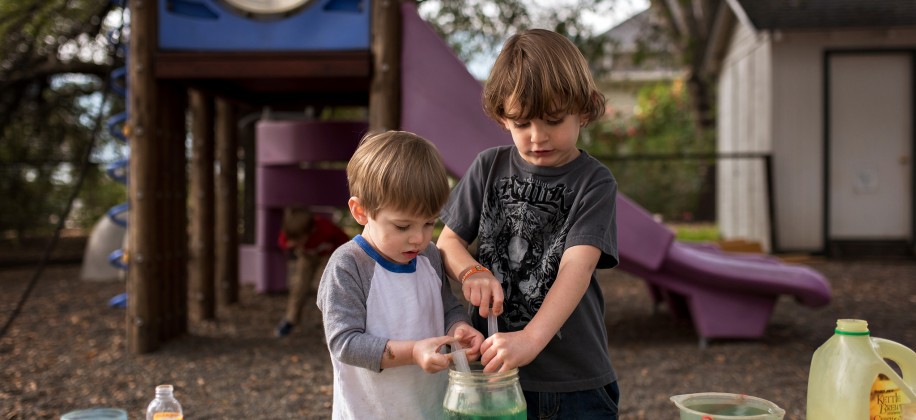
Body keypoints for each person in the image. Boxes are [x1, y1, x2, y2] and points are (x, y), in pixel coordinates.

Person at [436, 29, 621, 419]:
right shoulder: (489, 166)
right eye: (522, 123)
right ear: (503, 117)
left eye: (553, 120)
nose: (538, 137)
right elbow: (447, 241)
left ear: (584, 110)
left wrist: (531, 340)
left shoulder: (594, 181)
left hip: (574, 382)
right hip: (492, 378)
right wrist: (471, 271)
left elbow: (577, 266)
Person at [316, 130, 485, 419]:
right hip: (371, 411)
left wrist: (457, 328)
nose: (418, 238)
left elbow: (448, 306)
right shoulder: (348, 266)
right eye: (403, 227)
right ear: (361, 211)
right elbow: (345, 342)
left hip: (431, 407)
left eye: (429, 223)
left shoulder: (429, 256)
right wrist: (413, 352)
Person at [275, 207, 350, 337]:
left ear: (310, 231)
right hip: (307, 257)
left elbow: (345, 242)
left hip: (327, 256)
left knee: (328, 289)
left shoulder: (326, 229)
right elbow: (283, 243)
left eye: (299, 239)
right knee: (299, 286)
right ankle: (291, 319)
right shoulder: (291, 232)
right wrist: (290, 245)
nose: (296, 242)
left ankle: (331, 325)